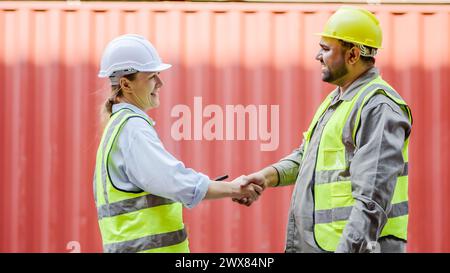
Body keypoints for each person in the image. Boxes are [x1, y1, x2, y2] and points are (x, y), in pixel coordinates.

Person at [234, 6, 412, 253]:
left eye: (326, 49)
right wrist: (266, 176)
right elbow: (306, 157)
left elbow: (372, 199)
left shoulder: (378, 106)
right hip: (323, 245)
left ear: (352, 55)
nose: (317, 55)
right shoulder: (338, 100)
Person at [93, 34, 262, 253]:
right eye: (152, 76)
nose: (160, 83)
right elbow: (174, 181)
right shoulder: (132, 128)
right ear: (126, 84)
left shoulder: (119, 126)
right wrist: (235, 189)